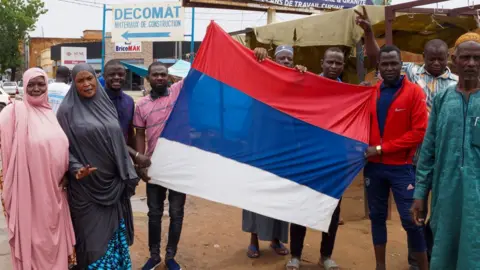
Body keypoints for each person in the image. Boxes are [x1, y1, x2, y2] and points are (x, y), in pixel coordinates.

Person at [355, 7, 457, 268]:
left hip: (440, 158)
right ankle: (401, 264)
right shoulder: (392, 82)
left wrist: (379, 148)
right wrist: (368, 32)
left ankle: (434, 261)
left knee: (434, 214)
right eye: (431, 59)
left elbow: (418, 131)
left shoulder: (454, 84)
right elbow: (379, 55)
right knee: (395, 216)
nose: (435, 63)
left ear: (449, 58)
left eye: (441, 58)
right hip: (410, 162)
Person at [56, 63, 139, 269]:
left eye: (89, 79)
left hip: (114, 185)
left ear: (96, 79)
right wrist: (75, 168)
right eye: (80, 81)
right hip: (86, 190)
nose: (86, 84)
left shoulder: (105, 104)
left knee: (114, 241)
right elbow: (61, 147)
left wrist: (129, 168)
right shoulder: (66, 111)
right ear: (73, 84)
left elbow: (118, 139)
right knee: (92, 243)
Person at [411, 32, 480, 270]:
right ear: (455, 60)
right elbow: (428, 150)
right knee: (445, 249)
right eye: (466, 57)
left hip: (477, 197)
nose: (471, 63)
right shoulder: (442, 100)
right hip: (446, 194)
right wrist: (420, 193)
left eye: (477, 58)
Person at [0, 68, 76, 269]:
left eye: (40, 84)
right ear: (24, 86)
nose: (36, 89)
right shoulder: (13, 113)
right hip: (29, 193)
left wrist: (68, 172)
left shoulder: (51, 113)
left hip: (56, 192)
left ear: (47, 86)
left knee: (54, 240)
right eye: (31, 84)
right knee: (33, 238)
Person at [363, 45, 429, 270]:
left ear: (402, 66)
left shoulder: (414, 92)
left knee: (412, 222)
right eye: (385, 64)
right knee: (377, 217)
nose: (390, 68)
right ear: (378, 67)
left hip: (402, 168)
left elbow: (419, 133)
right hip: (373, 168)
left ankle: (423, 267)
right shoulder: (371, 92)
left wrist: (381, 149)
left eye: (394, 63)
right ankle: (380, 266)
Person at [240, 45, 305, 260]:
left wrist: (303, 73)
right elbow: (248, 72)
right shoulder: (263, 78)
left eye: (289, 58)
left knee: (280, 195)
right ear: (274, 61)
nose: (286, 62)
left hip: (285, 150)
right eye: (282, 58)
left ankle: (276, 238)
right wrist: (256, 55)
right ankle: (254, 239)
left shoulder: (294, 82)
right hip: (259, 147)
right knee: (257, 194)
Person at [286, 47, 346, 270]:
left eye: (338, 63)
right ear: (322, 62)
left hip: (335, 161)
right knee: (302, 206)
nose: (333, 66)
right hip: (308, 158)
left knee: (332, 210)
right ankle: (295, 256)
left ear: (343, 65)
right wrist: (297, 74)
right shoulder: (307, 83)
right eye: (329, 62)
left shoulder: (348, 92)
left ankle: (326, 255)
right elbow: (290, 100)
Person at [135, 62, 185, 270]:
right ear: (148, 78)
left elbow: (200, 71)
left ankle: (171, 257)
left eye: (163, 74)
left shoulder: (177, 93)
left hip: (178, 167)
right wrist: (141, 163)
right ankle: (154, 256)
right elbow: (139, 134)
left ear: (169, 77)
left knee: (176, 213)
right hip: (154, 166)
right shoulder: (141, 105)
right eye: (155, 75)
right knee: (154, 214)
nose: (160, 78)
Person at [102, 60, 150, 168]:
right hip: (101, 160)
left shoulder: (128, 101)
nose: (116, 77)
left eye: (120, 74)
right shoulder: (96, 100)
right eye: (111, 74)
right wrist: (136, 154)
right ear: (104, 76)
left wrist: (136, 162)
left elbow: (130, 133)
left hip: (123, 160)